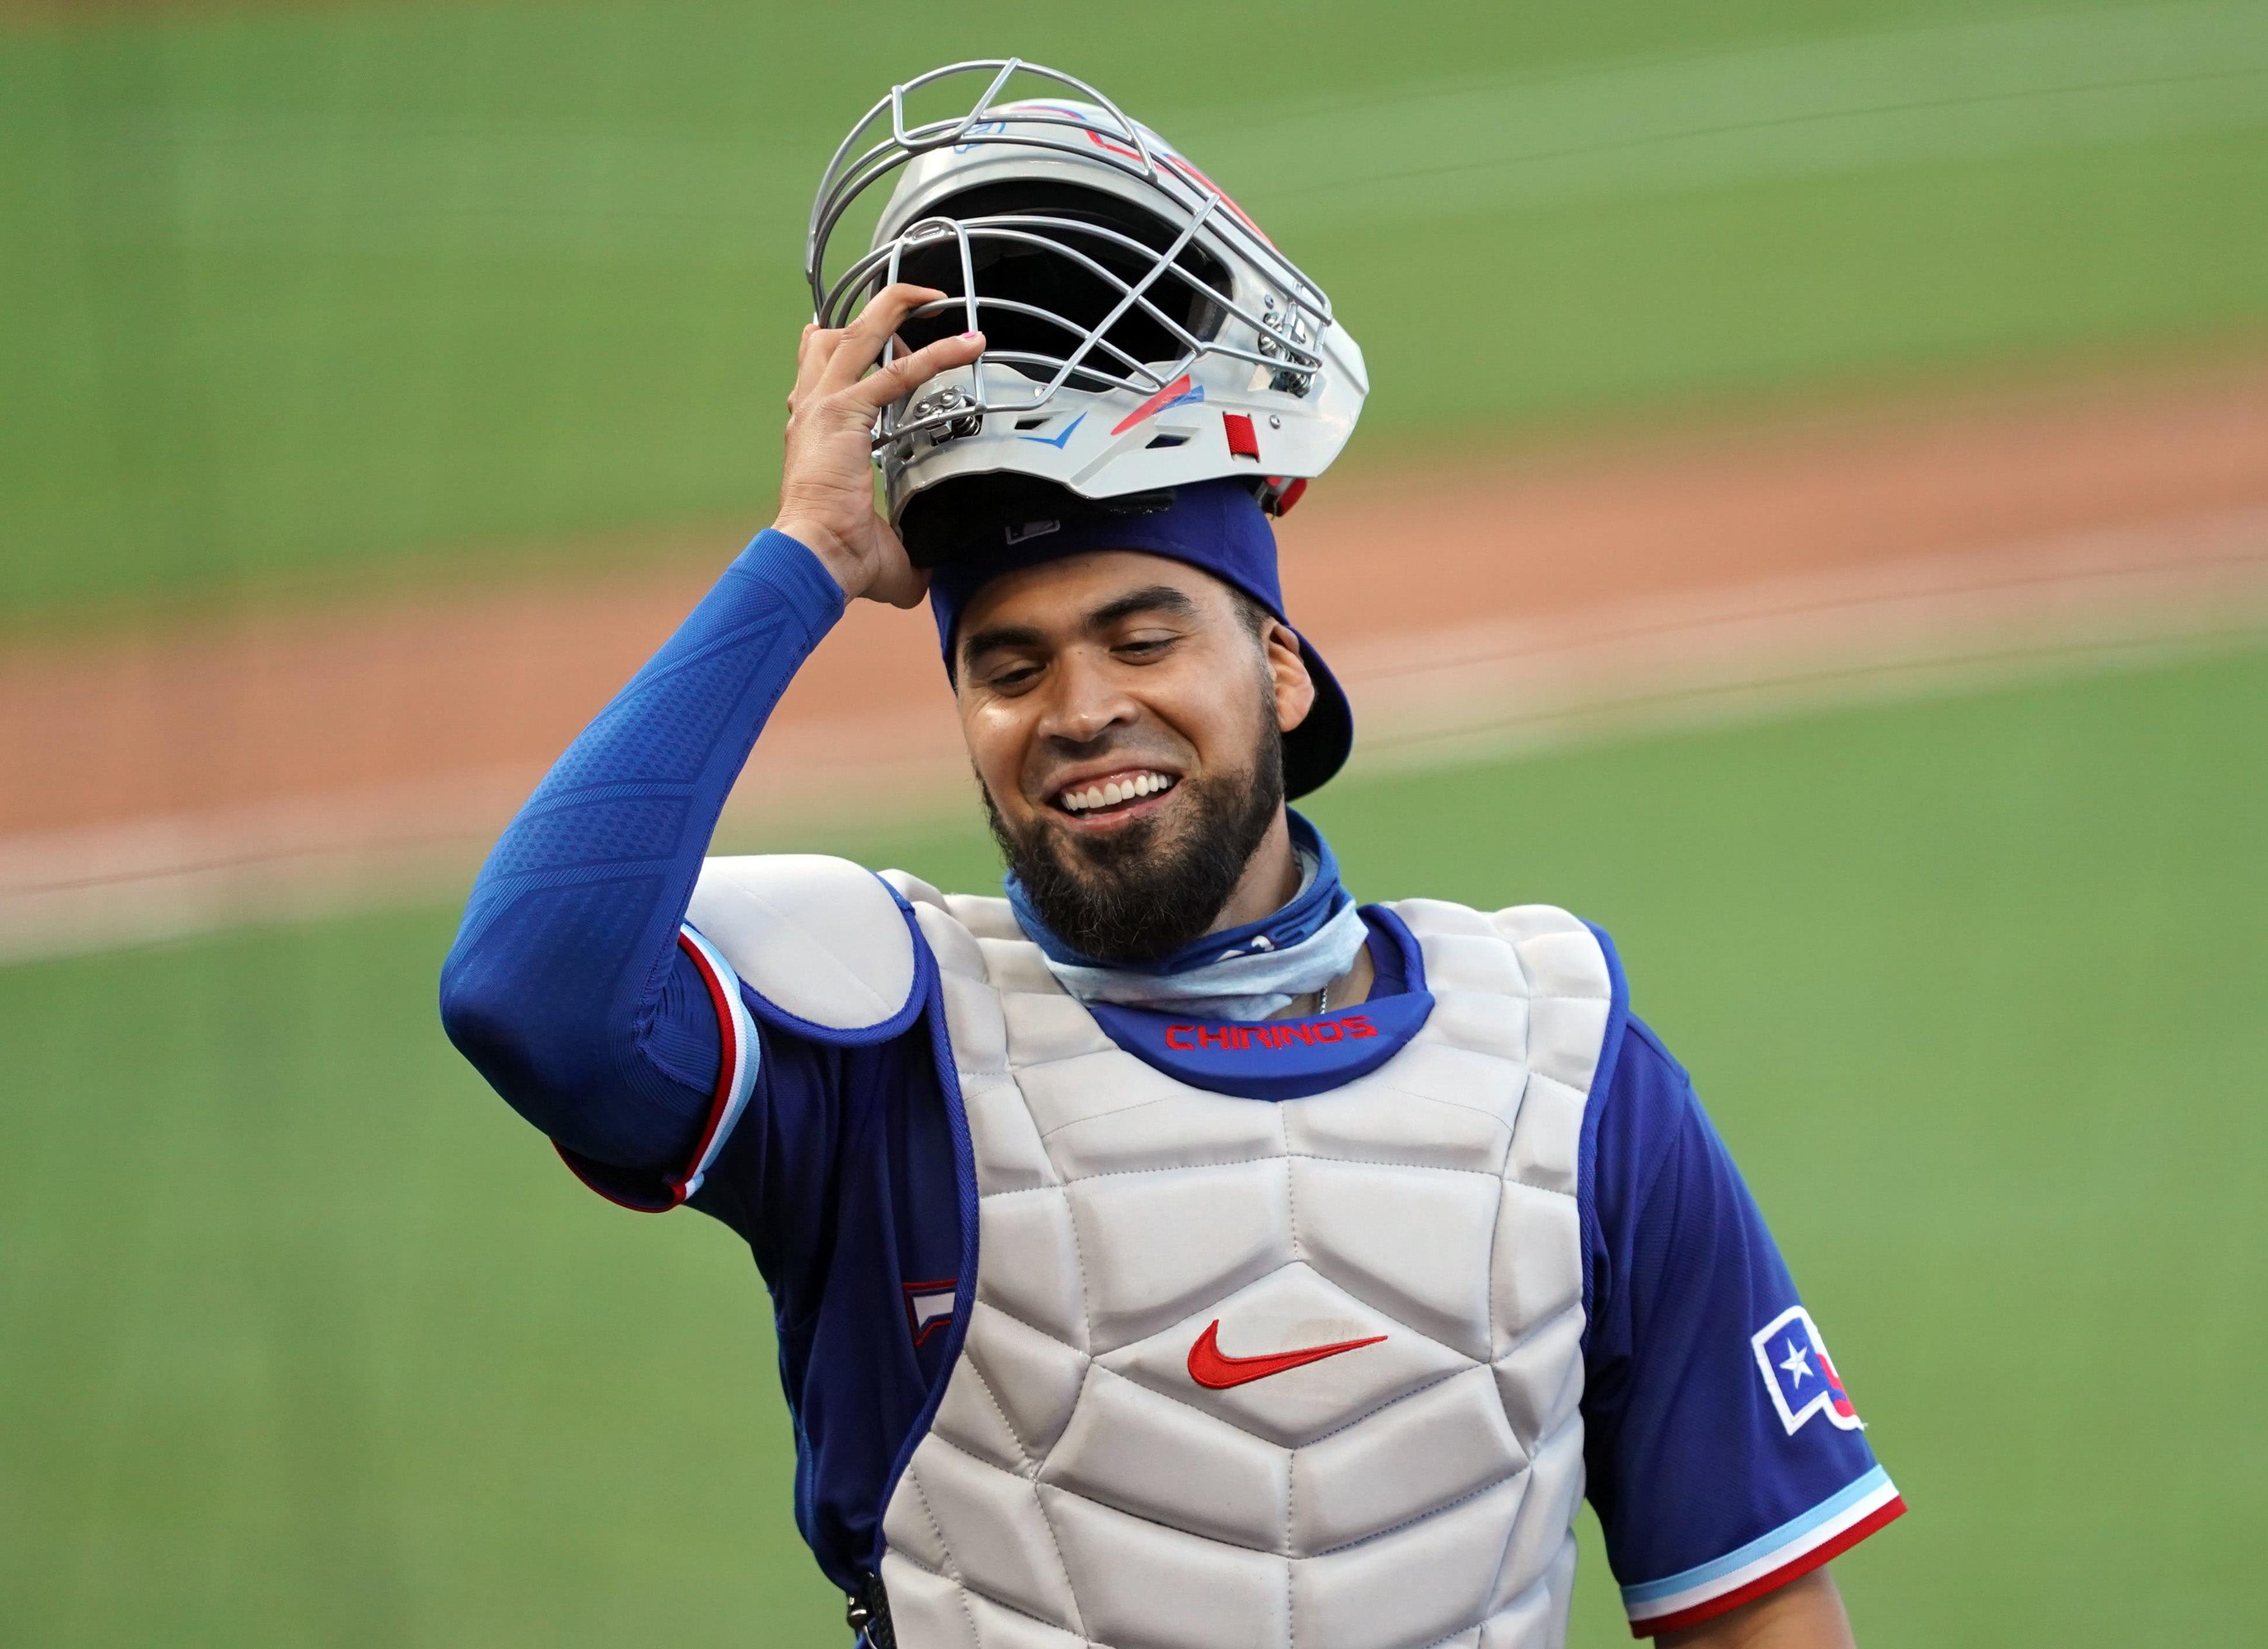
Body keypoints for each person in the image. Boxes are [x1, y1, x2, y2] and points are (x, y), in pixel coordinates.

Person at [439, 68, 1901, 1648]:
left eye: (1147, 637)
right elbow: (532, 986)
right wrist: (802, 560)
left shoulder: (1561, 1052)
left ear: (1280, 666)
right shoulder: (879, 1048)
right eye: (1007, 668)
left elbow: (1758, 1608)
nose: (1080, 710)